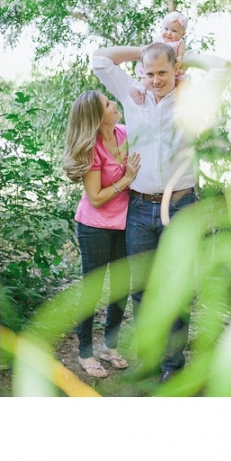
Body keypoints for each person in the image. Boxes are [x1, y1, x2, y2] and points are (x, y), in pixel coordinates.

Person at [92, 42, 231, 382]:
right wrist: (144, 49)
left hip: (181, 207)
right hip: (140, 207)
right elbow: (99, 59)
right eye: (149, 73)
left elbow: (224, 67)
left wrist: (182, 53)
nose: (155, 80)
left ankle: (173, 366)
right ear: (141, 72)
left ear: (175, 69)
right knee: (141, 290)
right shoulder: (131, 94)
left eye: (163, 72)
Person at [62, 90, 141, 377]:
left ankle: (110, 345)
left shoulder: (123, 133)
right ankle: (85, 352)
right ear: (97, 117)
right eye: (108, 104)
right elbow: (95, 197)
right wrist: (127, 179)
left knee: (121, 286)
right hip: (94, 226)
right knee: (92, 289)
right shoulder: (91, 148)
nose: (114, 104)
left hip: (124, 224)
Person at [129, 11, 188, 105]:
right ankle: (140, 90)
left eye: (174, 31)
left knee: (180, 81)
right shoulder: (159, 39)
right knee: (146, 77)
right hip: (155, 66)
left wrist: (180, 58)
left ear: (183, 34)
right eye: (166, 29)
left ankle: (180, 97)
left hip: (170, 68)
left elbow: (181, 54)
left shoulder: (179, 43)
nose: (169, 33)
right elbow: (152, 48)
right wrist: (146, 48)